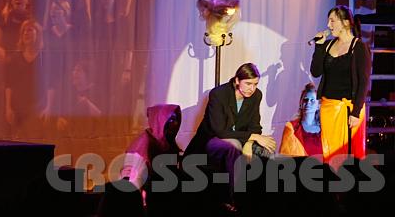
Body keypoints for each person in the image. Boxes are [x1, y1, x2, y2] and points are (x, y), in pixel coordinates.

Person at [184, 63, 276, 210]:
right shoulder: (218, 94)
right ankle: (233, 199)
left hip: (241, 138)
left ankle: (265, 197)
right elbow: (220, 131)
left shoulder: (256, 95)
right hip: (212, 140)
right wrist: (251, 137)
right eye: (248, 84)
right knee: (233, 146)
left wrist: (249, 143)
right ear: (237, 80)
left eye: (255, 84)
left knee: (267, 148)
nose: (252, 88)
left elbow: (255, 127)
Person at [310, 5, 371, 163]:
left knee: (346, 157)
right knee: (329, 154)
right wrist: (319, 46)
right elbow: (315, 71)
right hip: (329, 108)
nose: (328, 25)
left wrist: (356, 112)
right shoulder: (328, 45)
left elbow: (364, 82)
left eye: (332, 21)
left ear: (346, 23)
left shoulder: (358, 47)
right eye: (328, 21)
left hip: (349, 109)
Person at [120, 104, 181, 190]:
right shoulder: (141, 145)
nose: (176, 123)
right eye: (171, 120)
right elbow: (131, 181)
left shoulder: (166, 141)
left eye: (176, 119)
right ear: (159, 120)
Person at [279, 82, 323, 157]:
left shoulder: (324, 129)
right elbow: (284, 156)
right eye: (305, 100)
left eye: (312, 100)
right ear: (301, 103)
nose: (308, 103)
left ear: (318, 105)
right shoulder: (291, 127)